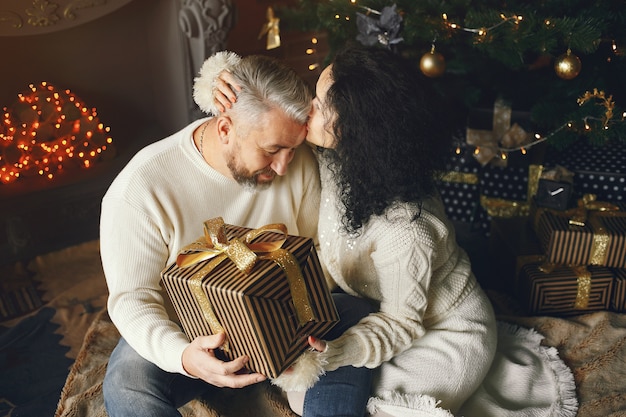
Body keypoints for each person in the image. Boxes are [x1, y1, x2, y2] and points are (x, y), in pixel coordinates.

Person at [213, 45, 578, 417]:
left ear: (356, 128)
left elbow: (402, 324)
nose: (308, 107)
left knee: (371, 404)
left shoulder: (407, 229)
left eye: (321, 105)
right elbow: (262, 112)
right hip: (371, 311)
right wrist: (221, 78)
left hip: (442, 334)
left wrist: (335, 353)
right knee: (305, 390)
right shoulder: (337, 155)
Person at [100, 51, 374, 417]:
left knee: (355, 313)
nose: (282, 167)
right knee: (126, 380)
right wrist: (182, 355)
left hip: (290, 324)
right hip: (195, 334)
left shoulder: (299, 163)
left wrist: (281, 320)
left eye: (291, 149)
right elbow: (131, 298)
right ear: (225, 128)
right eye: (271, 150)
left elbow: (320, 255)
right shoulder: (141, 187)